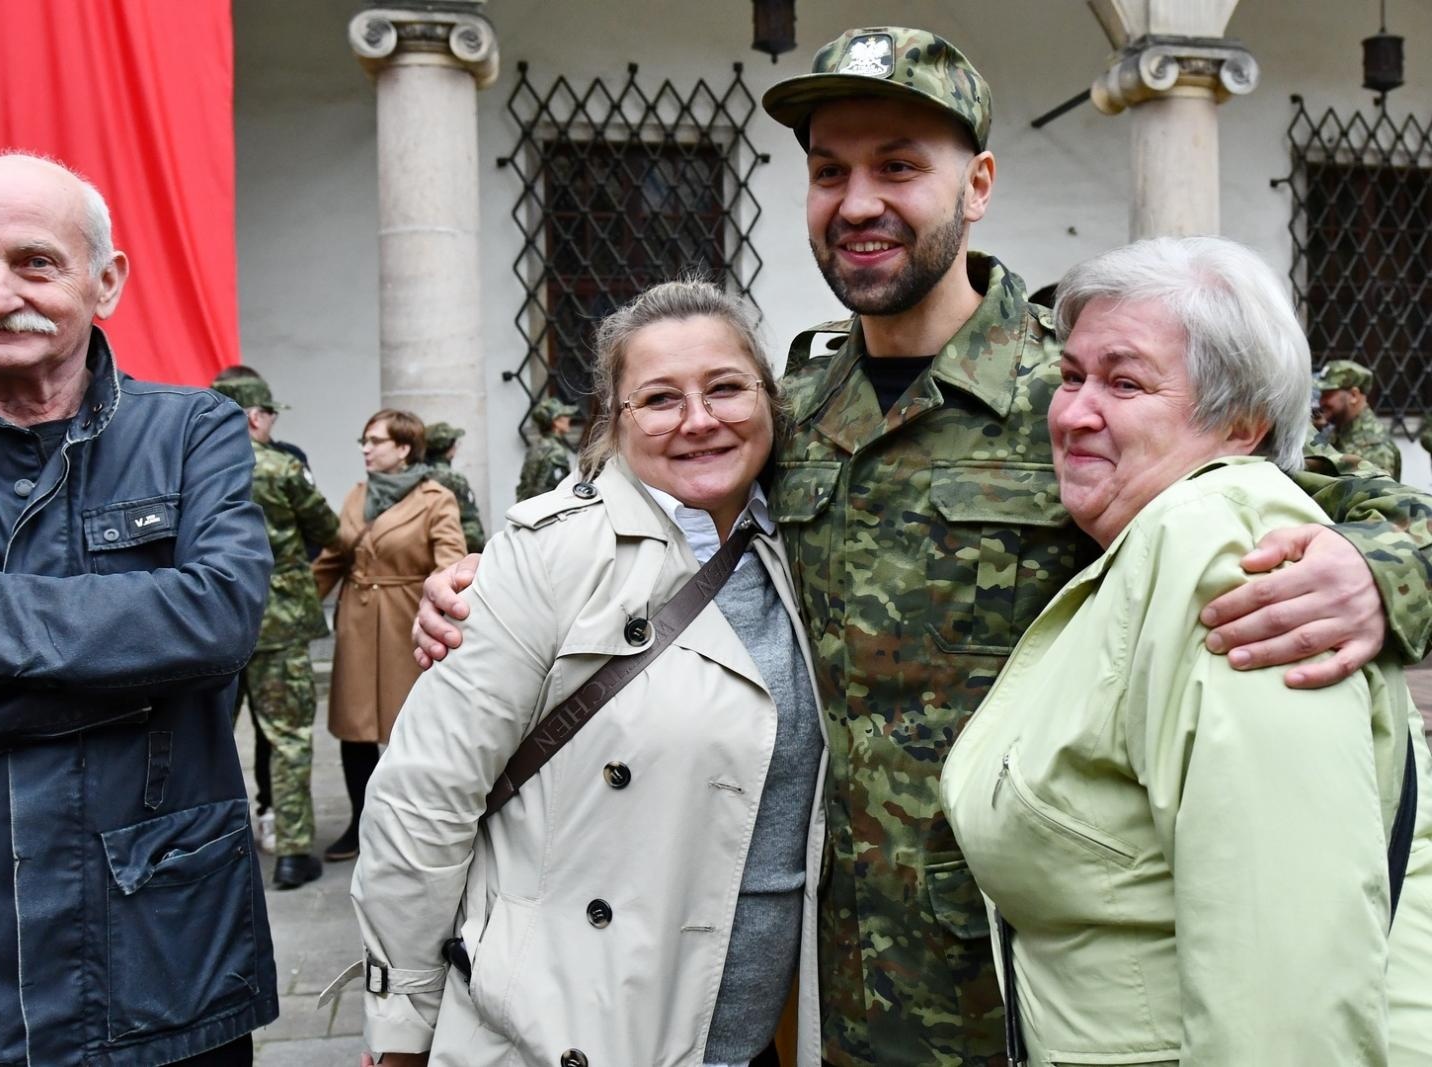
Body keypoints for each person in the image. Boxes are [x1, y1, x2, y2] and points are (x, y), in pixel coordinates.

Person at [415, 27, 1432, 1067]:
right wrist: (485, 576)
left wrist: (1373, 571)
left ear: (976, 182)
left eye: (898, 165)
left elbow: (1341, 496)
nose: (857, 202)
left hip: (1035, 979)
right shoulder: (791, 407)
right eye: (828, 171)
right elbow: (638, 507)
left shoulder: (1080, 395)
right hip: (838, 972)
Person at [941, 235, 1432, 1064]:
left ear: (1242, 423)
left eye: (1126, 382)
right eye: (1070, 377)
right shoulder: (1156, 532)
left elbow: (1286, 984)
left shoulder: (1227, 548)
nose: (1071, 412)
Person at [0, 154, 276, 1065]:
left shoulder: (193, 433)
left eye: (35, 261)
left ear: (105, 281)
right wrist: (127, 675)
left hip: (157, 967)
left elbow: (219, 616)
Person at [350, 280, 825, 1067]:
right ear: (615, 420)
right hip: (572, 1031)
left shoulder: (806, 546)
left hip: (752, 1036)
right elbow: (421, 799)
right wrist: (399, 1030)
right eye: (660, 398)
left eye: (727, 388)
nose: (699, 419)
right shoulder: (547, 559)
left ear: (770, 402)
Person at [313, 410, 466, 862]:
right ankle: (360, 824)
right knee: (354, 729)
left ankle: (413, 826)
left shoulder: (437, 498)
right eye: (364, 440)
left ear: (403, 448)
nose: (365, 448)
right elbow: (331, 559)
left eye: (375, 441)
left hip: (408, 622)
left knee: (412, 727)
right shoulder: (356, 496)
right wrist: (285, 610)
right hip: (358, 622)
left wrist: (445, 608)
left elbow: (451, 562)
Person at [213, 375, 341, 889]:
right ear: (255, 416)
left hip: (209, 621)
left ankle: (212, 850)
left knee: (207, 738)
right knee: (288, 739)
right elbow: (328, 532)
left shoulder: (189, 465)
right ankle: (291, 853)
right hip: (277, 618)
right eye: (270, 415)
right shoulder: (283, 467)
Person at [1314, 358, 1402, 477]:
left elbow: (1372, 494)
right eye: (1321, 394)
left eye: (1328, 394)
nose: (1321, 402)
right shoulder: (1339, 429)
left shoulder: (1374, 449)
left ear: (1354, 395)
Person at [425, 420, 487, 552]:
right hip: (451, 550)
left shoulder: (416, 476)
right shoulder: (454, 479)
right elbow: (469, 524)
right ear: (449, 449)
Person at [514, 395, 579, 500]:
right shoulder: (556, 451)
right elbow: (554, 490)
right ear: (555, 422)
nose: (569, 419)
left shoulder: (538, 446)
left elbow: (525, 486)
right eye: (564, 415)